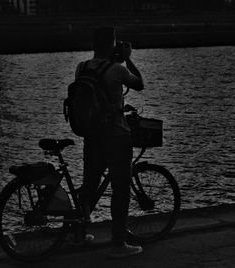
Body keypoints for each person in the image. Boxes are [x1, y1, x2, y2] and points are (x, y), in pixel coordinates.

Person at [75, 27, 144, 258]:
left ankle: (79, 234)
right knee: (121, 190)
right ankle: (118, 244)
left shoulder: (81, 67)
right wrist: (128, 59)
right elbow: (139, 84)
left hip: (91, 136)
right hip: (116, 137)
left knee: (89, 186)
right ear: (112, 45)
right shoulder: (117, 70)